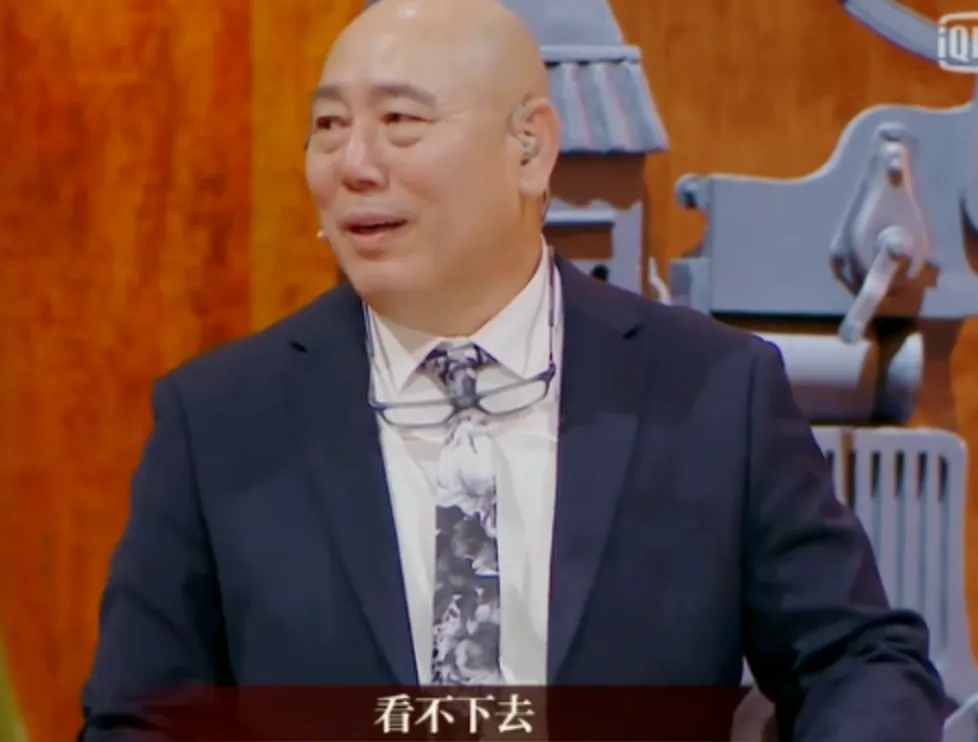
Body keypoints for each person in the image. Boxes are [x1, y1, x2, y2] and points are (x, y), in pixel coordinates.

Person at [79, 0, 946, 739]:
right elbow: (142, 719)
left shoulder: (713, 391)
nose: (354, 166)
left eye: (400, 121)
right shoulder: (221, 421)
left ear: (529, 149)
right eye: (329, 127)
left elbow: (859, 658)